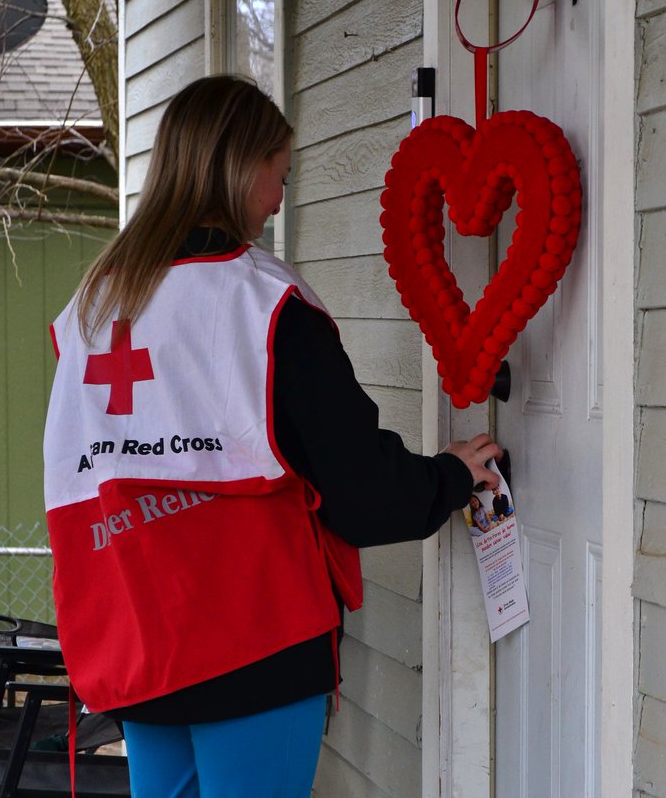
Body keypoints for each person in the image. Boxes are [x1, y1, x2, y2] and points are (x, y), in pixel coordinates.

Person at [42, 75, 501, 798]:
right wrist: (448, 474)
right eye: (279, 177)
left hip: (136, 640)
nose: (280, 201)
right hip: (253, 640)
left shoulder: (93, 305)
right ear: (238, 167)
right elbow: (362, 493)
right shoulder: (262, 302)